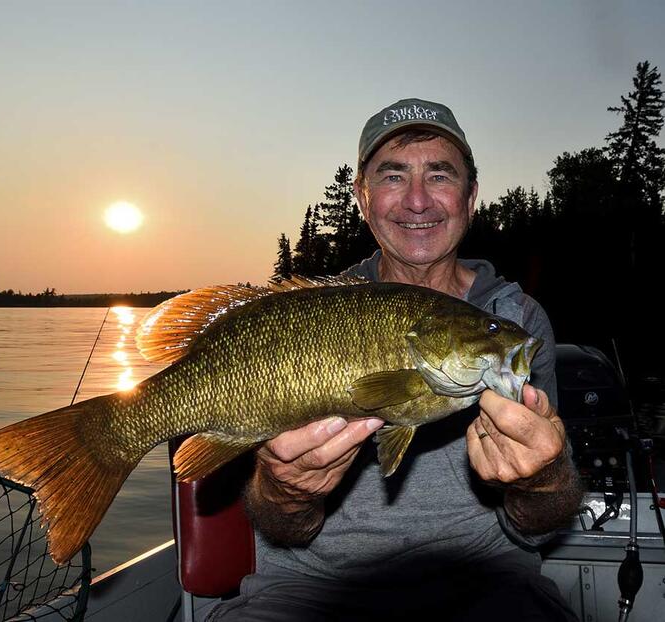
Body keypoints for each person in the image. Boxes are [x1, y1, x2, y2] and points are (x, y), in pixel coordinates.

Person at [208, 98, 584, 621]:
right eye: (392, 176)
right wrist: (284, 490)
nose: (416, 200)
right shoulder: (308, 317)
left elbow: (538, 525)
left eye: (439, 174)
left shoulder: (514, 318)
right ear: (363, 199)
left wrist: (542, 477)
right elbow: (281, 529)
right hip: (311, 589)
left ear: (471, 196)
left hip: (484, 584)